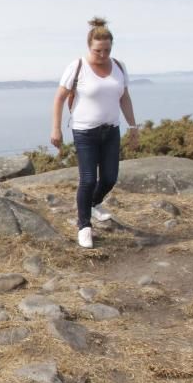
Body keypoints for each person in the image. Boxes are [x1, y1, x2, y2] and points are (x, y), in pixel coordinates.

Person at [50, 17, 140, 249]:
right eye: (98, 50)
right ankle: (84, 226)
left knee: (110, 178)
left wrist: (133, 127)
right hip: (85, 132)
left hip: (111, 130)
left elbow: (125, 98)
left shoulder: (119, 67)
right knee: (88, 179)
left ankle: (93, 204)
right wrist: (56, 128)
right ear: (89, 46)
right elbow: (59, 98)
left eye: (107, 50)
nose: (103, 55)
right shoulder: (77, 66)